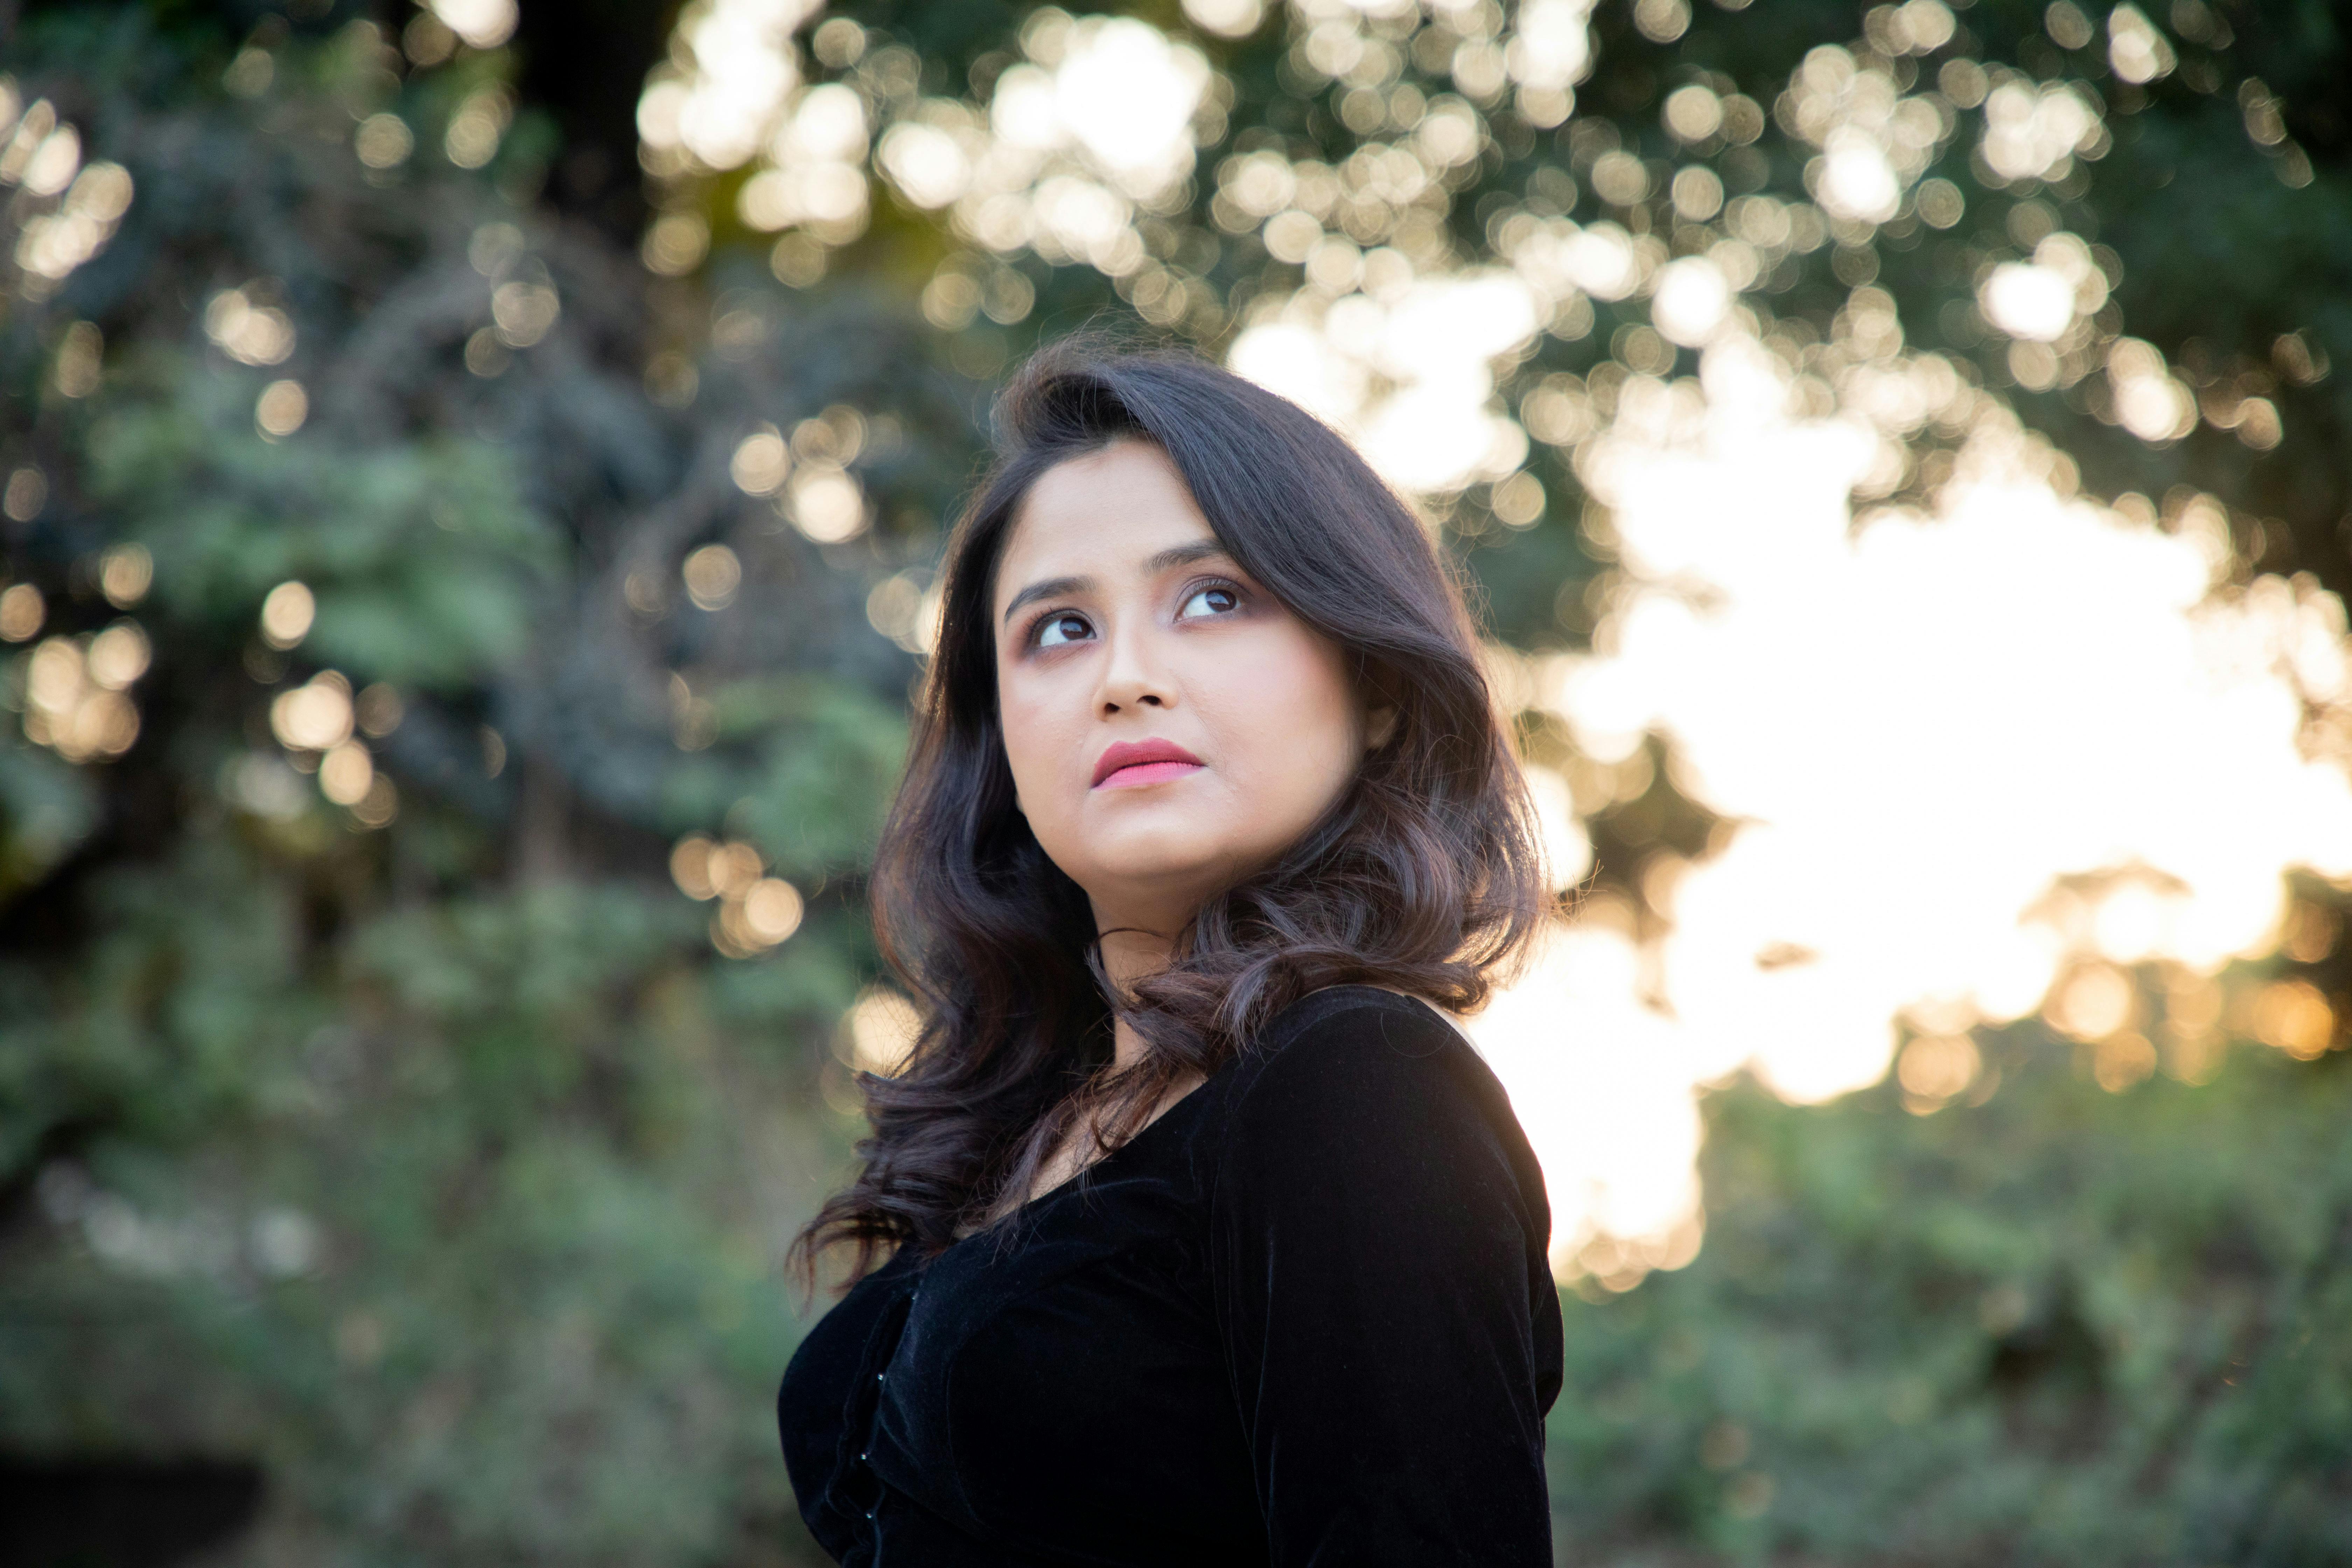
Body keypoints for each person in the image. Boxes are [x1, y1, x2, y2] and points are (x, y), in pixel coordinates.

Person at [777, 342, 1563, 1566]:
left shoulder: (1358, 1086)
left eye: (1212, 598)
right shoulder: (1020, 1133)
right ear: (1003, 739)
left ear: (1378, 689)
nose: (1126, 679)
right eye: (1059, 630)